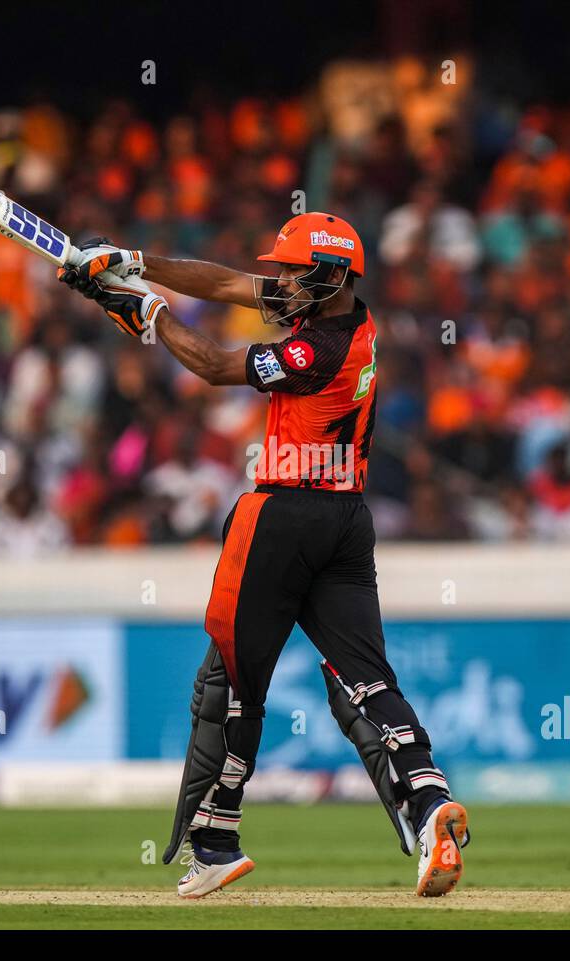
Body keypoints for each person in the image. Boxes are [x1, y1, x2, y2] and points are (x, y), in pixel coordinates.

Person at [58, 212, 470, 898]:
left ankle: (216, 840)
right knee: (364, 681)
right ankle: (430, 808)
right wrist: (132, 260)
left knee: (232, 683)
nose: (278, 282)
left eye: (291, 270)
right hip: (346, 521)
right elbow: (226, 283)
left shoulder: (318, 351)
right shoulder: (348, 314)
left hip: (281, 516)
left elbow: (217, 366)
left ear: (331, 274)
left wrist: (145, 311)